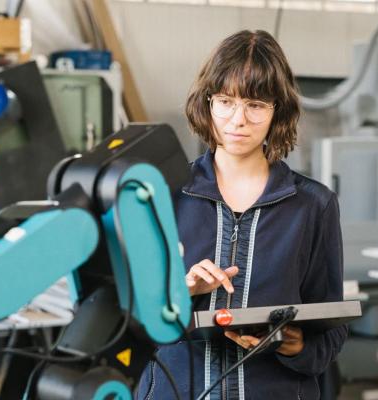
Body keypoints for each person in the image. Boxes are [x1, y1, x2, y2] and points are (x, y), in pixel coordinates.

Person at [136, 29, 347, 400]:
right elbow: (127, 322)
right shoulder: (162, 195)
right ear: (208, 102)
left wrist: (294, 345)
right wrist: (179, 293)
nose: (238, 120)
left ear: (277, 110)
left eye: (255, 105)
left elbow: (331, 331)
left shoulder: (314, 205)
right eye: (225, 101)